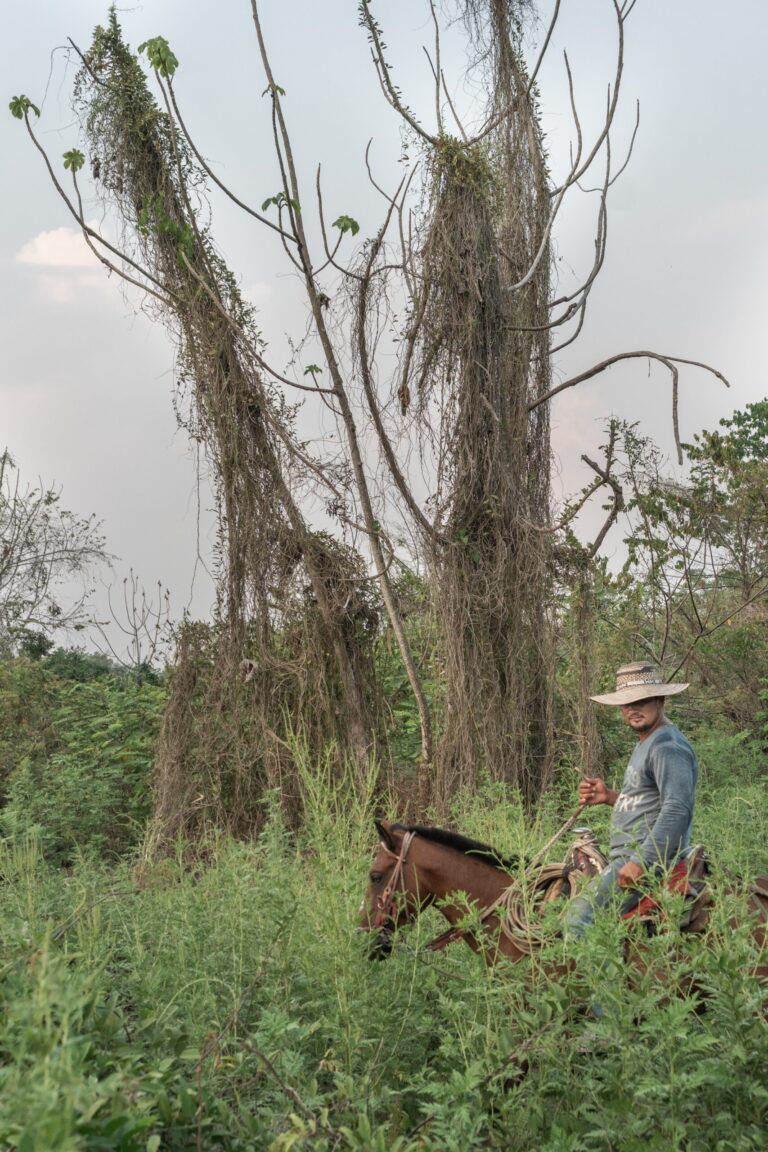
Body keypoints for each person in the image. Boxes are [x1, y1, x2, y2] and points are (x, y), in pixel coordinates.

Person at [564, 661, 698, 937]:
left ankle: (593, 982)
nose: (633, 709)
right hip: (632, 856)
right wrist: (609, 796)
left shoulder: (667, 746)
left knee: (576, 920)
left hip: (653, 863)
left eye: (642, 700)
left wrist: (641, 862)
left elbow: (676, 809)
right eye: (626, 704)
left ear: (659, 700)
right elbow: (652, 801)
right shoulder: (648, 741)